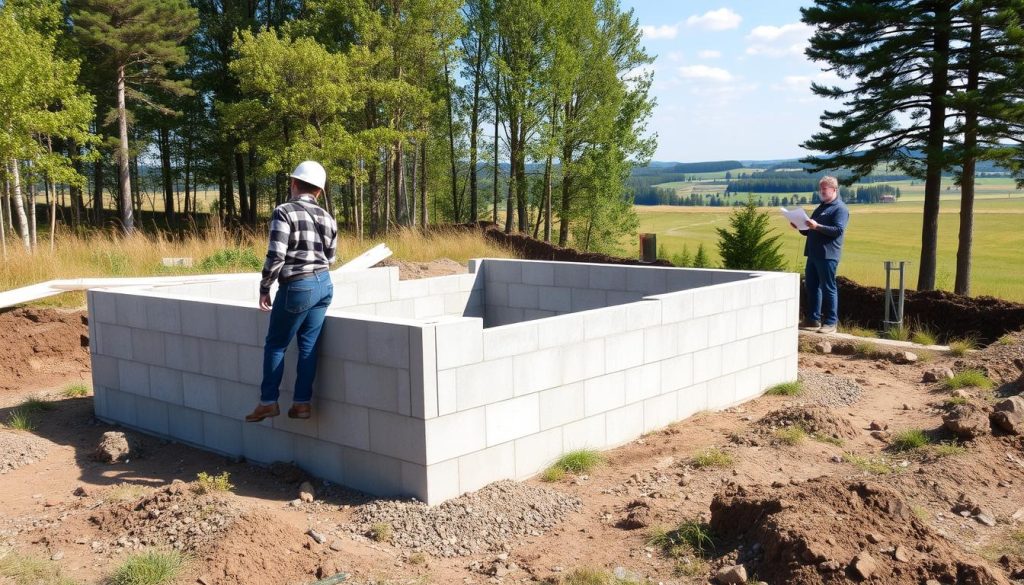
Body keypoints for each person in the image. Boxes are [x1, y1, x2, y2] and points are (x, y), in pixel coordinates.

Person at [246, 161, 338, 422]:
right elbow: (331, 257)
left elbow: (276, 254)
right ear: (319, 191)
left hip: (298, 286)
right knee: (308, 348)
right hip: (324, 285)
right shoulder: (328, 217)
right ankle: (301, 404)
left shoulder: (284, 211)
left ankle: (267, 402)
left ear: (294, 184)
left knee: (276, 345)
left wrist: (265, 287)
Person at [791, 175, 849, 334]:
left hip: (828, 255)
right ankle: (813, 319)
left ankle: (831, 323)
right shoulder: (821, 207)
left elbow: (838, 231)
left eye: (824, 189)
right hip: (813, 254)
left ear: (834, 189)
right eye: (820, 189)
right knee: (811, 286)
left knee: (828, 288)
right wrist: (800, 226)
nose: (821, 192)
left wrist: (816, 226)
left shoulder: (840, 209)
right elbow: (810, 231)